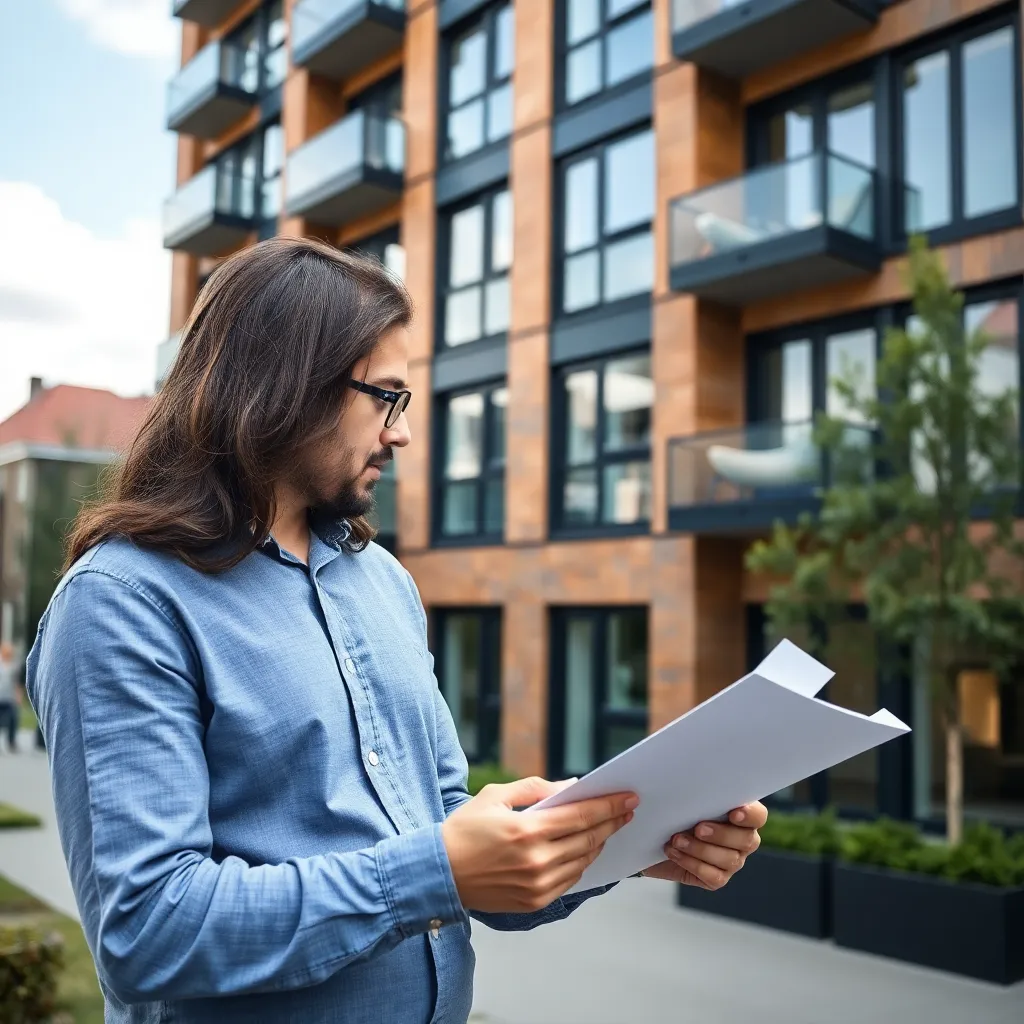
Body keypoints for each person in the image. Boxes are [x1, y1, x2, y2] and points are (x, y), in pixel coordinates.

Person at [27, 238, 766, 1024]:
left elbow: (444, 831)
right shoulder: (122, 601)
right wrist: (435, 871)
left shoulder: (383, 583)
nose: (403, 434)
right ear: (285, 387)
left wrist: (622, 839)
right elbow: (146, 930)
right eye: (386, 397)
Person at [0, 642, 21, 753]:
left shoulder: (13, 665)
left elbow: (15, 682)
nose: (9, 654)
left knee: (13, 718)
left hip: (9, 698)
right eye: (7, 652)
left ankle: (11, 742)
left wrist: (18, 695)